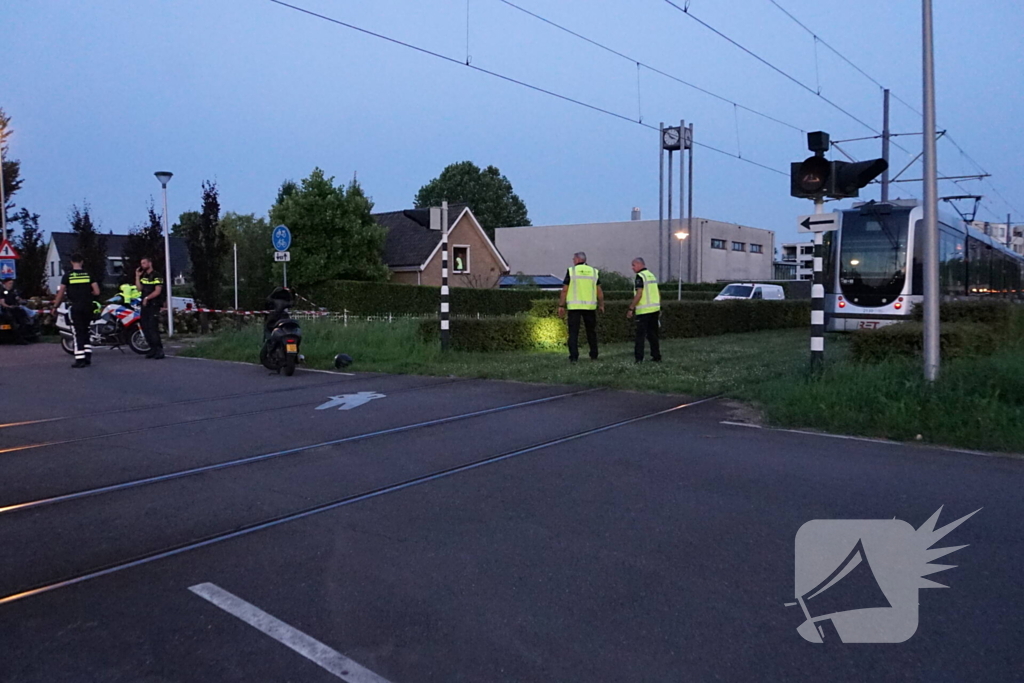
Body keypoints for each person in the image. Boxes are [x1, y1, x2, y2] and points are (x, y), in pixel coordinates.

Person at [50, 253, 100, 367]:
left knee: (78, 332)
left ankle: (80, 359)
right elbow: (97, 292)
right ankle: (87, 356)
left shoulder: (68, 276)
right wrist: (87, 294)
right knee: (86, 330)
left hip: (76, 306)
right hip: (88, 306)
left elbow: (61, 292)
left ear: (71, 262)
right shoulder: (88, 275)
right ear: (82, 262)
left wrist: (55, 307)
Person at [557, 251, 604, 362]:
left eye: (573, 259)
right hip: (590, 308)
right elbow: (599, 291)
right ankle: (594, 355)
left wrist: (561, 305)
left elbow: (565, 290)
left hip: (574, 307)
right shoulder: (593, 272)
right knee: (591, 332)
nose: (573, 261)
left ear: (578, 259)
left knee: (573, 333)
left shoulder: (571, 271)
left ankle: (574, 357)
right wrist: (601, 304)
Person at [626, 257, 661, 363]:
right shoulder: (651, 275)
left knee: (640, 336)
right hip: (654, 310)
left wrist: (631, 308)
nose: (632, 268)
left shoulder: (640, 276)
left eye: (633, 265)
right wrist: (660, 307)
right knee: (653, 335)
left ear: (640, 264)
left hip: (644, 311)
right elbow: (658, 292)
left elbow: (639, 294)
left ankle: (639, 358)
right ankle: (656, 356)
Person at [136, 257, 165, 359]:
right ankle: (152, 349)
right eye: (141, 263)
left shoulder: (157, 275)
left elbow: (157, 291)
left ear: (150, 263)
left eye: (144, 263)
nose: (142, 265)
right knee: (145, 327)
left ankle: (159, 350)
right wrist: (137, 276)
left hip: (154, 305)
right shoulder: (144, 275)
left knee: (153, 327)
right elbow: (139, 288)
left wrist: (147, 298)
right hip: (145, 306)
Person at [1, 278, 31, 344]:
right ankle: (18, 338)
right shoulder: (2, 292)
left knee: (23, 319)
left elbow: (17, 299)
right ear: (5, 284)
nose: (11, 285)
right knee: (13, 322)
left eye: (12, 283)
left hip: (15, 308)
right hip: (7, 310)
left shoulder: (13, 292)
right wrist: (8, 306)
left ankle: (25, 335)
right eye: (10, 283)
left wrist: (22, 301)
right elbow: (2, 302)